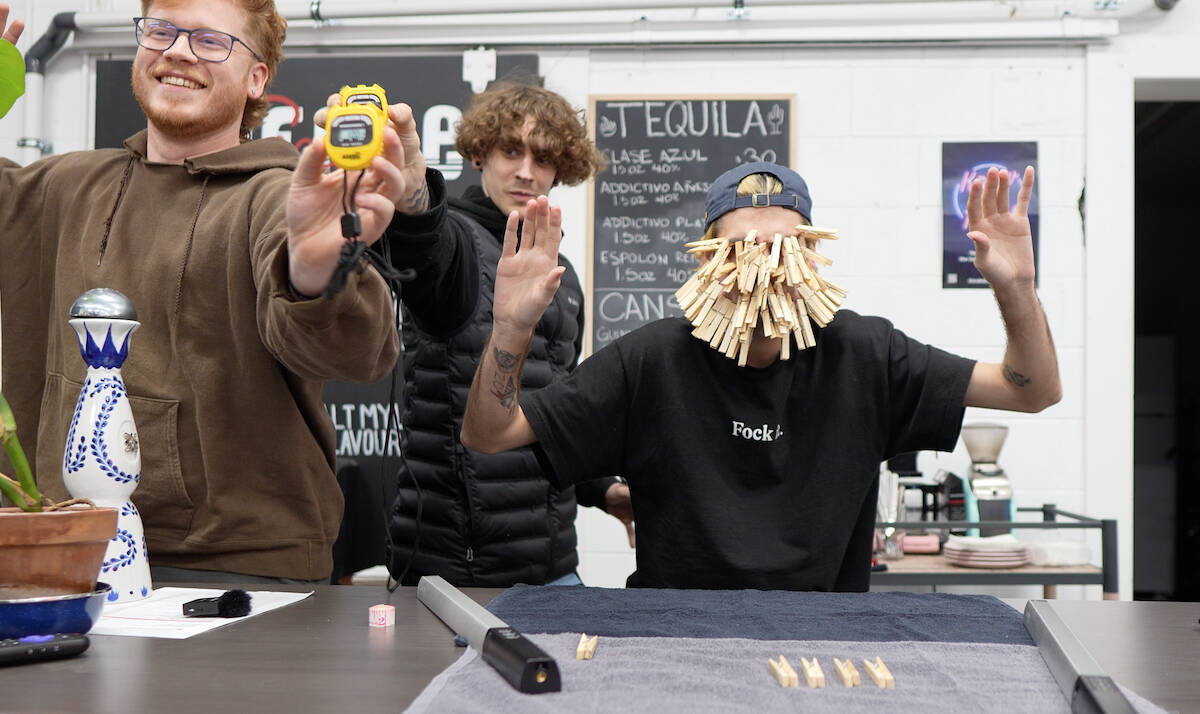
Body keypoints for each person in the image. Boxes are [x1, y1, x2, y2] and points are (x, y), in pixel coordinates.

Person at [461, 160, 1062, 591]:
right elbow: (490, 435)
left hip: (827, 637)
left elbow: (1030, 391)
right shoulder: (653, 359)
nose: (768, 268)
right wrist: (511, 329)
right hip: (676, 635)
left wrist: (1016, 288)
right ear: (709, 258)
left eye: (787, 248)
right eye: (745, 249)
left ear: (812, 256)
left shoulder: (864, 351)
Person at [0, 0, 417, 583]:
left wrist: (314, 272)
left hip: (242, 575)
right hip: (66, 550)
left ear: (256, 78)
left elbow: (358, 352)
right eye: (162, 30)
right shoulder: (66, 185)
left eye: (210, 41)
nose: (177, 50)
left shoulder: (276, 197)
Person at [370, 81, 633, 586]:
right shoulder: (457, 244)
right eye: (511, 150)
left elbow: (555, 406)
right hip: (455, 568)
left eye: (544, 157)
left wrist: (604, 490)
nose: (526, 171)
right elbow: (427, 244)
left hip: (554, 564)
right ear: (478, 153)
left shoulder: (564, 277)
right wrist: (416, 199)